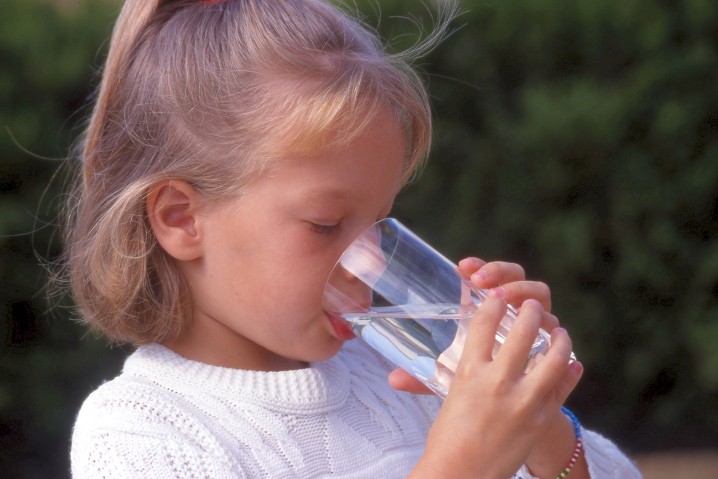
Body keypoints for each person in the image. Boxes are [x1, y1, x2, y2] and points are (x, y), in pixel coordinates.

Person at [65, 0, 642, 477]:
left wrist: (543, 433)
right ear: (181, 219)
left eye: (380, 226)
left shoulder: (406, 375)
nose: (367, 264)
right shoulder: (140, 432)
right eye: (325, 225)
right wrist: (463, 464)